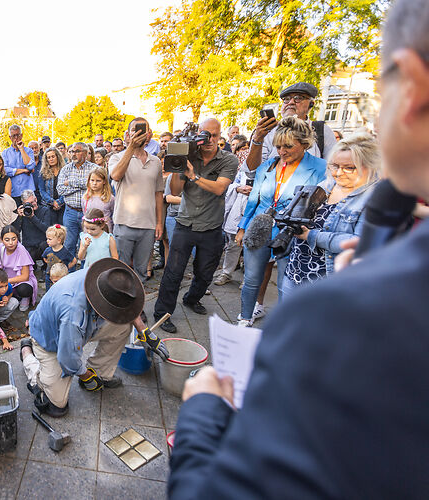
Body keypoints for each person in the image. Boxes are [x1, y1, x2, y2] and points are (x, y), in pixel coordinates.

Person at [169, 3, 429, 497]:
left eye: (382, 88)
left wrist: (203, 409)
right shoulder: (392, 239)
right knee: (249, 280)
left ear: (411, 88)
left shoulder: (333, 312)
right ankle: (246, 319)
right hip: (266, 236)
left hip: (301, 257)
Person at [22, 259, 148, 417]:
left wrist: (144, 331)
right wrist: (86, 375)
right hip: (50, 341)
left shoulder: (104, 278)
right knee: (57, 406)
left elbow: (128, 306)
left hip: (81, 329)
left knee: (123, 326)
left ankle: (100, 372)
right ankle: (27, 353)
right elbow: (67, 359)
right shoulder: (72, 314)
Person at [235, 117, 327, 326]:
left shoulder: (321, 168)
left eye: (288, 146)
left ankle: (285, 325)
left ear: (304, 144)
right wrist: (242, 227)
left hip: (292, 232)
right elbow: (254, 198)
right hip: (260, 226)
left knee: (287, 283)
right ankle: (245, 317)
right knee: (251, 279)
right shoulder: (268, 165)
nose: (282, 152)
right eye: (278, 146)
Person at [153, 118, 238, 334]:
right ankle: (162, 313)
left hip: (211, 226)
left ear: (220, 138)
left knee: (205, 273)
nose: (209, 139)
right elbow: (175, 190)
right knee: (173, 271)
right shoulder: (188, 156)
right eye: (205, 134)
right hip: (185, 223)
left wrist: (194, 175)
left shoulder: (228, 160)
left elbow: (219, 188)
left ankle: (192, 299)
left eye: (214, 135)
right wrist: (178, 162)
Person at [281, 134, 381, 296]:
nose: (339, 173)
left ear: (368, 166)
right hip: (295, 274)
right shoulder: (327, 184)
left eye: (349, 167)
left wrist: (311, 236)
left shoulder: (374, 199)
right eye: (334, 166)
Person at [108, 117, 165, 279]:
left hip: (148, 225)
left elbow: (158, 193)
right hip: (124, 223)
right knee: (121, 270)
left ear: (149, 134)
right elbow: (116, 175)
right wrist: (131, 148)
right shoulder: (117, 158)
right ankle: (120, 302)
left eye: (143, 130)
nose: (139, 133)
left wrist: (159, 222)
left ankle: (137, 301)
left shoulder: (155, 161)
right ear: (128, 134)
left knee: (141, 271)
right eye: (135, 130)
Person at [246, 82, 337, 171]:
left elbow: (332, 167)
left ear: (311, 104)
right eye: (286, 99)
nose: (291, 102)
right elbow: (252, 170)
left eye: (298, 98)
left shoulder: (321, 130)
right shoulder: (268, 130)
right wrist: (257, 140)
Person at [0, 225, 37, 311]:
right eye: (7, 240)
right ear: (2, 240)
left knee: (25, 289)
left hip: (18, 278)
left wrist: (6, 281)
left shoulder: (21, 250)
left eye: (14, 239)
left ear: (18, 239)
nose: (11, 243)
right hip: (2, 274)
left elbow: (25, 276)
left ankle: (22, 297)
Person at [213, 167, 253, 286]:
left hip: (255, 209)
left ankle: (248, 278)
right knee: (233, 244)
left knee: (251, 247)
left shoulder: (269, 169)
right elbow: (232, 184)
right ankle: (226, 272)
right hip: (238, 208)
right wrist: (237, 188)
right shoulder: (243, 170)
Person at [58, 142, 98, 254]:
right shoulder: (65, 169)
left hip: (89, 213)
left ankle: (86, 271)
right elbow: (60, 190)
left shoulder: (94, 169)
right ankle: (70, 271)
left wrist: (70, 182)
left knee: (88, 245)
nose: (73, 154)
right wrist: (83, 185)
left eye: (77, 151)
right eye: (71, 151)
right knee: (69, 244)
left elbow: (95, 186)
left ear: (85, 153)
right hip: (70, 211)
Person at [3, 125, 36, 224]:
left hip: (28, 191)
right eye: (13, 136)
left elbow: (30, 166)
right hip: (13, 192)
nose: (16, 138)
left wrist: (21, 149)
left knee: (29, 221)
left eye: (17, 135)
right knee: (16, 221)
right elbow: (5, 170)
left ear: (21, 135)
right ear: (10, 138)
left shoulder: (28, 151)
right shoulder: (5, 153)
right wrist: (23, 170)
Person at [17, 189, 50, 261]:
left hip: (42, 245)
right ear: (23, 204)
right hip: (29, 246)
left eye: (33, 202)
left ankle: (45, 268)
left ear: (36, 199)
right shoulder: (23, 213)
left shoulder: (45, 210)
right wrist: (18, 217)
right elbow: (16, 231)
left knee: (45, 246)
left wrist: (32, 217)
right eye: (28, 203)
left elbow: (46, 229)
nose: (32, 204)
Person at [38, 146, 66, 226]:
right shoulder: (43, 172)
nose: (51, 159)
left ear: (57, 156)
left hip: (63, 206)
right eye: (49, 157)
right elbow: (42, 190)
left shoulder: (64, 170)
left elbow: (67, 189)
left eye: (53, 156)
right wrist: (53, 202)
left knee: (62, 230)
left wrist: (59, 202)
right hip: (48, 206)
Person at [43, 224, 77, 288]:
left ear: (59, 240)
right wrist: (49, 263)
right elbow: (44, 258)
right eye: (47, 238)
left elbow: (74, 260)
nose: (47, 241)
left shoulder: (64, 251)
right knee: (49, 290)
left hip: (61, 277)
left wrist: (66, 267)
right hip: (49, 275)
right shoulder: (48, 250)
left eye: (50, 239)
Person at [82, 167, 114, 231]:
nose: (94, 183)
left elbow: (113, 216)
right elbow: (85, 213)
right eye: (92, 180)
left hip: (104, 232)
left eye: (98, 181)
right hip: (89, 233)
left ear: (104, 181)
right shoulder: (85, 198)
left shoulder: (110, 198)